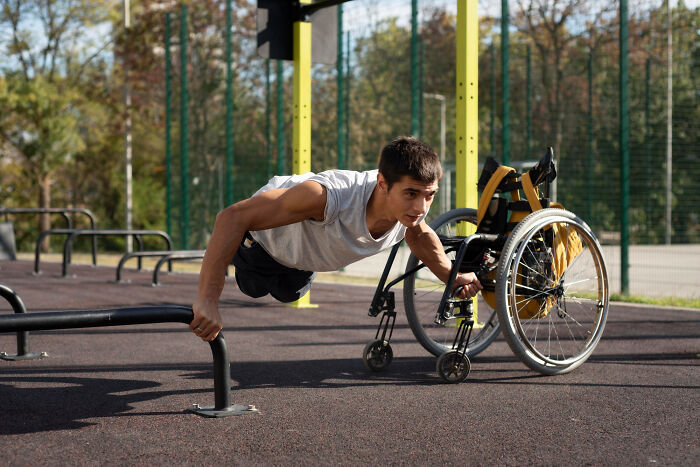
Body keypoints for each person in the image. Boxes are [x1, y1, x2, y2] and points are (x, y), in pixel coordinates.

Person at [190, 136, 482, 341]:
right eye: (411, 194)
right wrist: (207, 300)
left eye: (429, 196)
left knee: (290, 293)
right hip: (264, 245)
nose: (421, 208)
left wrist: (451, 276)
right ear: (382, 183)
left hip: (304, 259)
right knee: (253, 287)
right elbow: (230, 217)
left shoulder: (408, 216)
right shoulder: (327, 197)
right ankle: (236, 257)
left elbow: (421, 237)